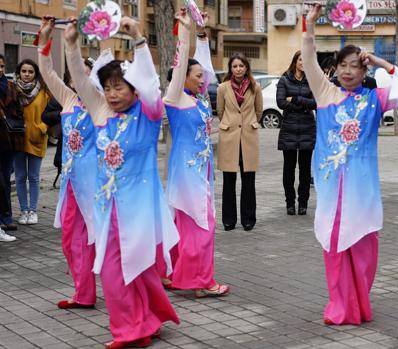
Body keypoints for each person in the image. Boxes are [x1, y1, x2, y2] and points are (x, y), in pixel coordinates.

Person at [64, 16, 179, 348]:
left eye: (120, 86)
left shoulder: (149, 116)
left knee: (138, 269)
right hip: (106, 212)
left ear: (134, 89)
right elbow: (82, 84)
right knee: (116, 273)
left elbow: (152, 85)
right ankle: (136, 326)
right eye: (109, 87)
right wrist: (71, 45)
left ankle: (140, 324)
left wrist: (140, 40)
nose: (112, 94)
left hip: (139, 213)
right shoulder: (101, 114)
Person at [303, 4, 398, 325]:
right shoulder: (325, 94)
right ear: (336, 69)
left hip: (364, 192)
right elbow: (309, 59)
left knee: (366, 251)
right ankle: (340, 306)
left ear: (364, 71)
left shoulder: (374, 100)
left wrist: (381, 61)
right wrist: (309, 26)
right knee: (336, 248)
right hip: (332, 192)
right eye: (344, 65)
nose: (349, 71)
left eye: (356, 66)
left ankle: (359, 303)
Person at [161, 9, 229, 297]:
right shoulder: (175, 98)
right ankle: (200, 280)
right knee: (202, 224)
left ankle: (176, 274)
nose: (204, 80)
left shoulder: (199, 100)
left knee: (186, 223)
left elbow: (206, 70)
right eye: (197, 76)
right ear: (183, 77)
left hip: (202, 170)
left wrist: (201, 35)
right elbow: (179, 68)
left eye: (203, 75)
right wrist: (185, 32)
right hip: (187, 172)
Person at [37, 17, 99, 310]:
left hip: (97, 183)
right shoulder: (68, 100)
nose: (78, 79)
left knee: (101, 240)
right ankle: (83, 292)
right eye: (76, 75)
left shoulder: (101, 103)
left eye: (85, 74)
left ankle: (129, 291)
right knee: (70, 239)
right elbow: (46, 70)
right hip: (71, 184)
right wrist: (45, 37)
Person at [216, 52, 262, 231]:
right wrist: (230, 124)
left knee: (248, 180)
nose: (238, 69)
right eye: (234, 66)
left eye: (241, 66)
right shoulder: (223, 88)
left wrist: (249, 123)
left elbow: (259, 111)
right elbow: (220, 111)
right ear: (231, 68)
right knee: (229, 181)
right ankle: (228, 220)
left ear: (246, 67)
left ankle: (248, 219)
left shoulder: (254, 87)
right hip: (229, 137)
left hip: (249, 137)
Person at [276, 50, 316, 215]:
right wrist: (303, 106)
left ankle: (303, 203)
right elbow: (281, 103)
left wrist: (297, 100)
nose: (303, 63)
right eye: (300, 60)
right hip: (289, 129)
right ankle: (290, 203)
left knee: (305, 170)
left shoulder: (313, 80)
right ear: (295, 61)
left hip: (307, 128)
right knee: (289, 169)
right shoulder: (284, 79)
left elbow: (316, 102)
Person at [14, 58, 52, 225]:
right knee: (21, 177)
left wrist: (41, 128)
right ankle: (23, 210)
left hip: (37, 139)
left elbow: (52, 114)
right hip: (18, 139)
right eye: (24, 71)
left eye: (30, 71)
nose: (27, 74)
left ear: (35, 73)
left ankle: (33, 210)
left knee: (34, 177)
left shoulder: (44, 92)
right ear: (19, 73)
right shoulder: (13, 90)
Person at [0, 53, 22, 232]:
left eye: (1, 66)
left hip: (7, 141)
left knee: (6, 180)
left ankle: (6, 217)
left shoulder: (11, 87)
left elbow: (19, 111)